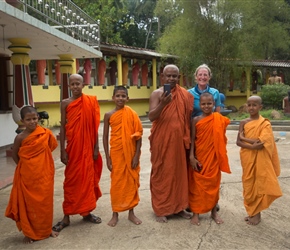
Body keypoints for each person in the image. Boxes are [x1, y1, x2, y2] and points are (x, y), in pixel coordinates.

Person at [52, 74, 103, 232]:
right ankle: (66, 216)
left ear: (83, 84)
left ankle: (86, 212)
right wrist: (62, 150)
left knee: (87, 179)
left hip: (88, 147)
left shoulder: (90, 101)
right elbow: (62, 126)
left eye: (78, 84)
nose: (75, 87)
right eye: (72, 84)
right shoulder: (65, 103)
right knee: (71, 181)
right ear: (69, 86)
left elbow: (94, 127)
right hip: (73, 148)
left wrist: (96, 148)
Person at [5, 106, 58, 243]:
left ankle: (47, 230)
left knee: (45, 205)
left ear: (38, 118)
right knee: (29, 205)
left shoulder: (45, 133)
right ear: (22, 120)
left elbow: (50, 147)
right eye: (28, 119)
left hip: (44, 175)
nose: (32, 122)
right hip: (28, 176)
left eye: (34, 118)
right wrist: (24, 167)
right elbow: (15, 155)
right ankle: (30, 232)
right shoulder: (20, 137)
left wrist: (40, 163)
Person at [148, 64, 193, 223]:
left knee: (179, 174)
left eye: (174, 76)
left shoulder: (185, 95)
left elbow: (188, 120)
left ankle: (179, 207)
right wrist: (163, 104)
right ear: (162, 77)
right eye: (168, 76)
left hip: (179, 142)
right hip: (162, 141)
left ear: (178, 78)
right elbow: (152, 117)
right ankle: (161, 209)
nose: (171, 78)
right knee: (162, 173)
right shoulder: (157, 94)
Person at [236, 96, 282, 225]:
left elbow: (262, 143)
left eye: (254, 105)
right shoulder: (243, 122)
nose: (251, 107)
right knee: (249, 184)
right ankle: (252, 212)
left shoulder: (265, 124)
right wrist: (250, 143)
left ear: (260, 107)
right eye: (249, 105)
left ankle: (257, 215)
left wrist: (246, 139)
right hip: (247, 158)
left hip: (260, 158)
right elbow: (238, 142)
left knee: (259, 184)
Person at [188, 93, 231, 226]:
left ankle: (213, 212)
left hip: (213, 158)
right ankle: (196, 213)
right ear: (199, 105)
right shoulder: (195, 120)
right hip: (200, 157)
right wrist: (191, 156)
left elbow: (221, 139)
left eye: (209, 103)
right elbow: (193, 140)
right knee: (197, 185)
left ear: (214, 104)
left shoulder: (218, 118)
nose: (206, 106)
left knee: (213, 185)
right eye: (203, 104)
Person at [103, 86, 143, 227]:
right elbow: (105, 137)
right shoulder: (108, 115)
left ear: (127, 98)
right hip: (116, 153)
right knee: (116, 184)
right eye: (118, 96)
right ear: (113, 97)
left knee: (131, 182)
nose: (120, 98)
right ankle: (115, 213)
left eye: (123, 96)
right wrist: (107, 157)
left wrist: (136, 155)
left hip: (130, 153)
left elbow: (138, 135)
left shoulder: (132, 114)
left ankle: (131, 213)